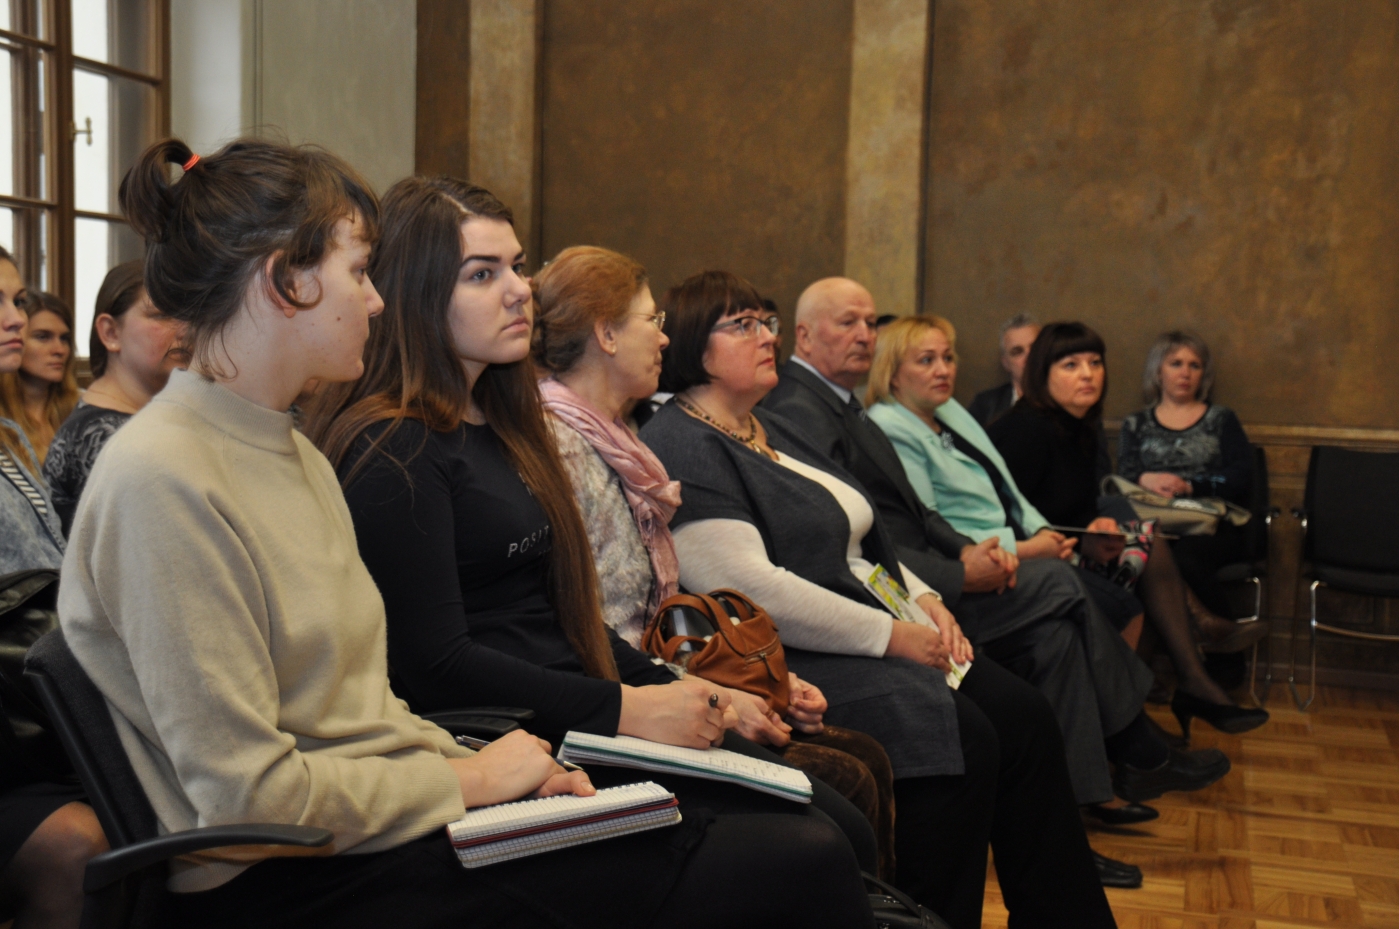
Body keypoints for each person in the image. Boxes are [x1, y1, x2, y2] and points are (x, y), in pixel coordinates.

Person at [302, 176, 875, 928]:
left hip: (576, 708)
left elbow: (563, 616)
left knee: (840, 823)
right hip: (512, 738)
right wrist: (629, 708)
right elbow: (434, 663)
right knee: (811, 850)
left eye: (516, 266)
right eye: (482, 274)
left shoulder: (505, 424)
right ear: (417, 293)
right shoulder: (396, 445)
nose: (519, 290)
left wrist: (687, 690)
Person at [641, 269, 1118, 929]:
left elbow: (864, 542)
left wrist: (924, 598)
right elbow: (752, 587)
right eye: (743, 325)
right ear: (696, 343)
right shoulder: (683, 441)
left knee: (1025, 714)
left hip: (872, 622)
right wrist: (892, 635)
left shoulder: (765, 426)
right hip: (795, 653)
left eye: (766, 323)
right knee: (965, 734)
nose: (768, 337)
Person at [765, 282, 1225, 877]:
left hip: (927, 579)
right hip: (891, 605)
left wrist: (969, 552)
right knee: (1059, 584)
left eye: (869, 323)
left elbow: (922, 515)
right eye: (847, 322)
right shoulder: (804, 410)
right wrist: (955, 575)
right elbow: (845, 548)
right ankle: (1134, 744)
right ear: (803, 335)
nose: (863, 335)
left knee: (1056, 638)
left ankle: (1077, 821)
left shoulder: (847, 405)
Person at [531, 244, 899, 879]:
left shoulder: (618, 439)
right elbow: (591, 631)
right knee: (842, 805)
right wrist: (716, 697)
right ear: (606, 335)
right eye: (652, 320)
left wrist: (757, 681)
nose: (664, 338)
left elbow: (657, 618)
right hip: (614, 708)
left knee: (859, 764)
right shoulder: (561, 449)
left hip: (654, 678)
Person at [988, 323, 1269, 740]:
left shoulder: (1079, 425)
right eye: (1071, 365)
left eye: (1095, 363)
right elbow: (1002, 517)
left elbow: (1074, 505)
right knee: (1138, 583)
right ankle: (1157, 710)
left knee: (1146, 547)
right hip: (1023, 562)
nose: (1088, 374)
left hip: (1066, 548)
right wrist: (1077, 538)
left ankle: (1152, 712)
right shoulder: (1025, 428)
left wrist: (1093, 531)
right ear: (1042, 373)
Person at [0, 246, 107, 929]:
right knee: (81, 845)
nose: (14, 317)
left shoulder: (9, 436)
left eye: (16, 300)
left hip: (34, 715)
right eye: (0, 302)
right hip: (16, 736)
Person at [1118, 330, 1262, 634]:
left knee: (1184, 558)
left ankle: (1224, 648)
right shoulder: (1136, 424)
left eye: (1194, 365)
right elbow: (1120, 478)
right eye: (1176, 364)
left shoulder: (1222, 420)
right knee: (1142, 557)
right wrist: (1146, 478)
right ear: (1158, 371)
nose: (1185, 373)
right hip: (1155, 524)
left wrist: (1190, 486)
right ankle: (1183, 651)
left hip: (1212, 525)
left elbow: (1241, 476)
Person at [42, 261, 187, 535]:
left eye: (188, 315)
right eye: (161, 315)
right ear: (110, 332)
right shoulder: (102, 436)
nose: (185, 329)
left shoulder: (142, 419)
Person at [0, 292, 78, 465]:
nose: (59, 350)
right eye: (43, 337)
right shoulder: (4, 418)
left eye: (64, 339)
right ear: (15, 340)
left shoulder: (80, 409)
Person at [968, 313, 1038, 427]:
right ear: (1006, 363)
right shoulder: (985, 406)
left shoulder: (1063, 400)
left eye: (1035, 347)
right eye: (1017, 352)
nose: (1029, 356)